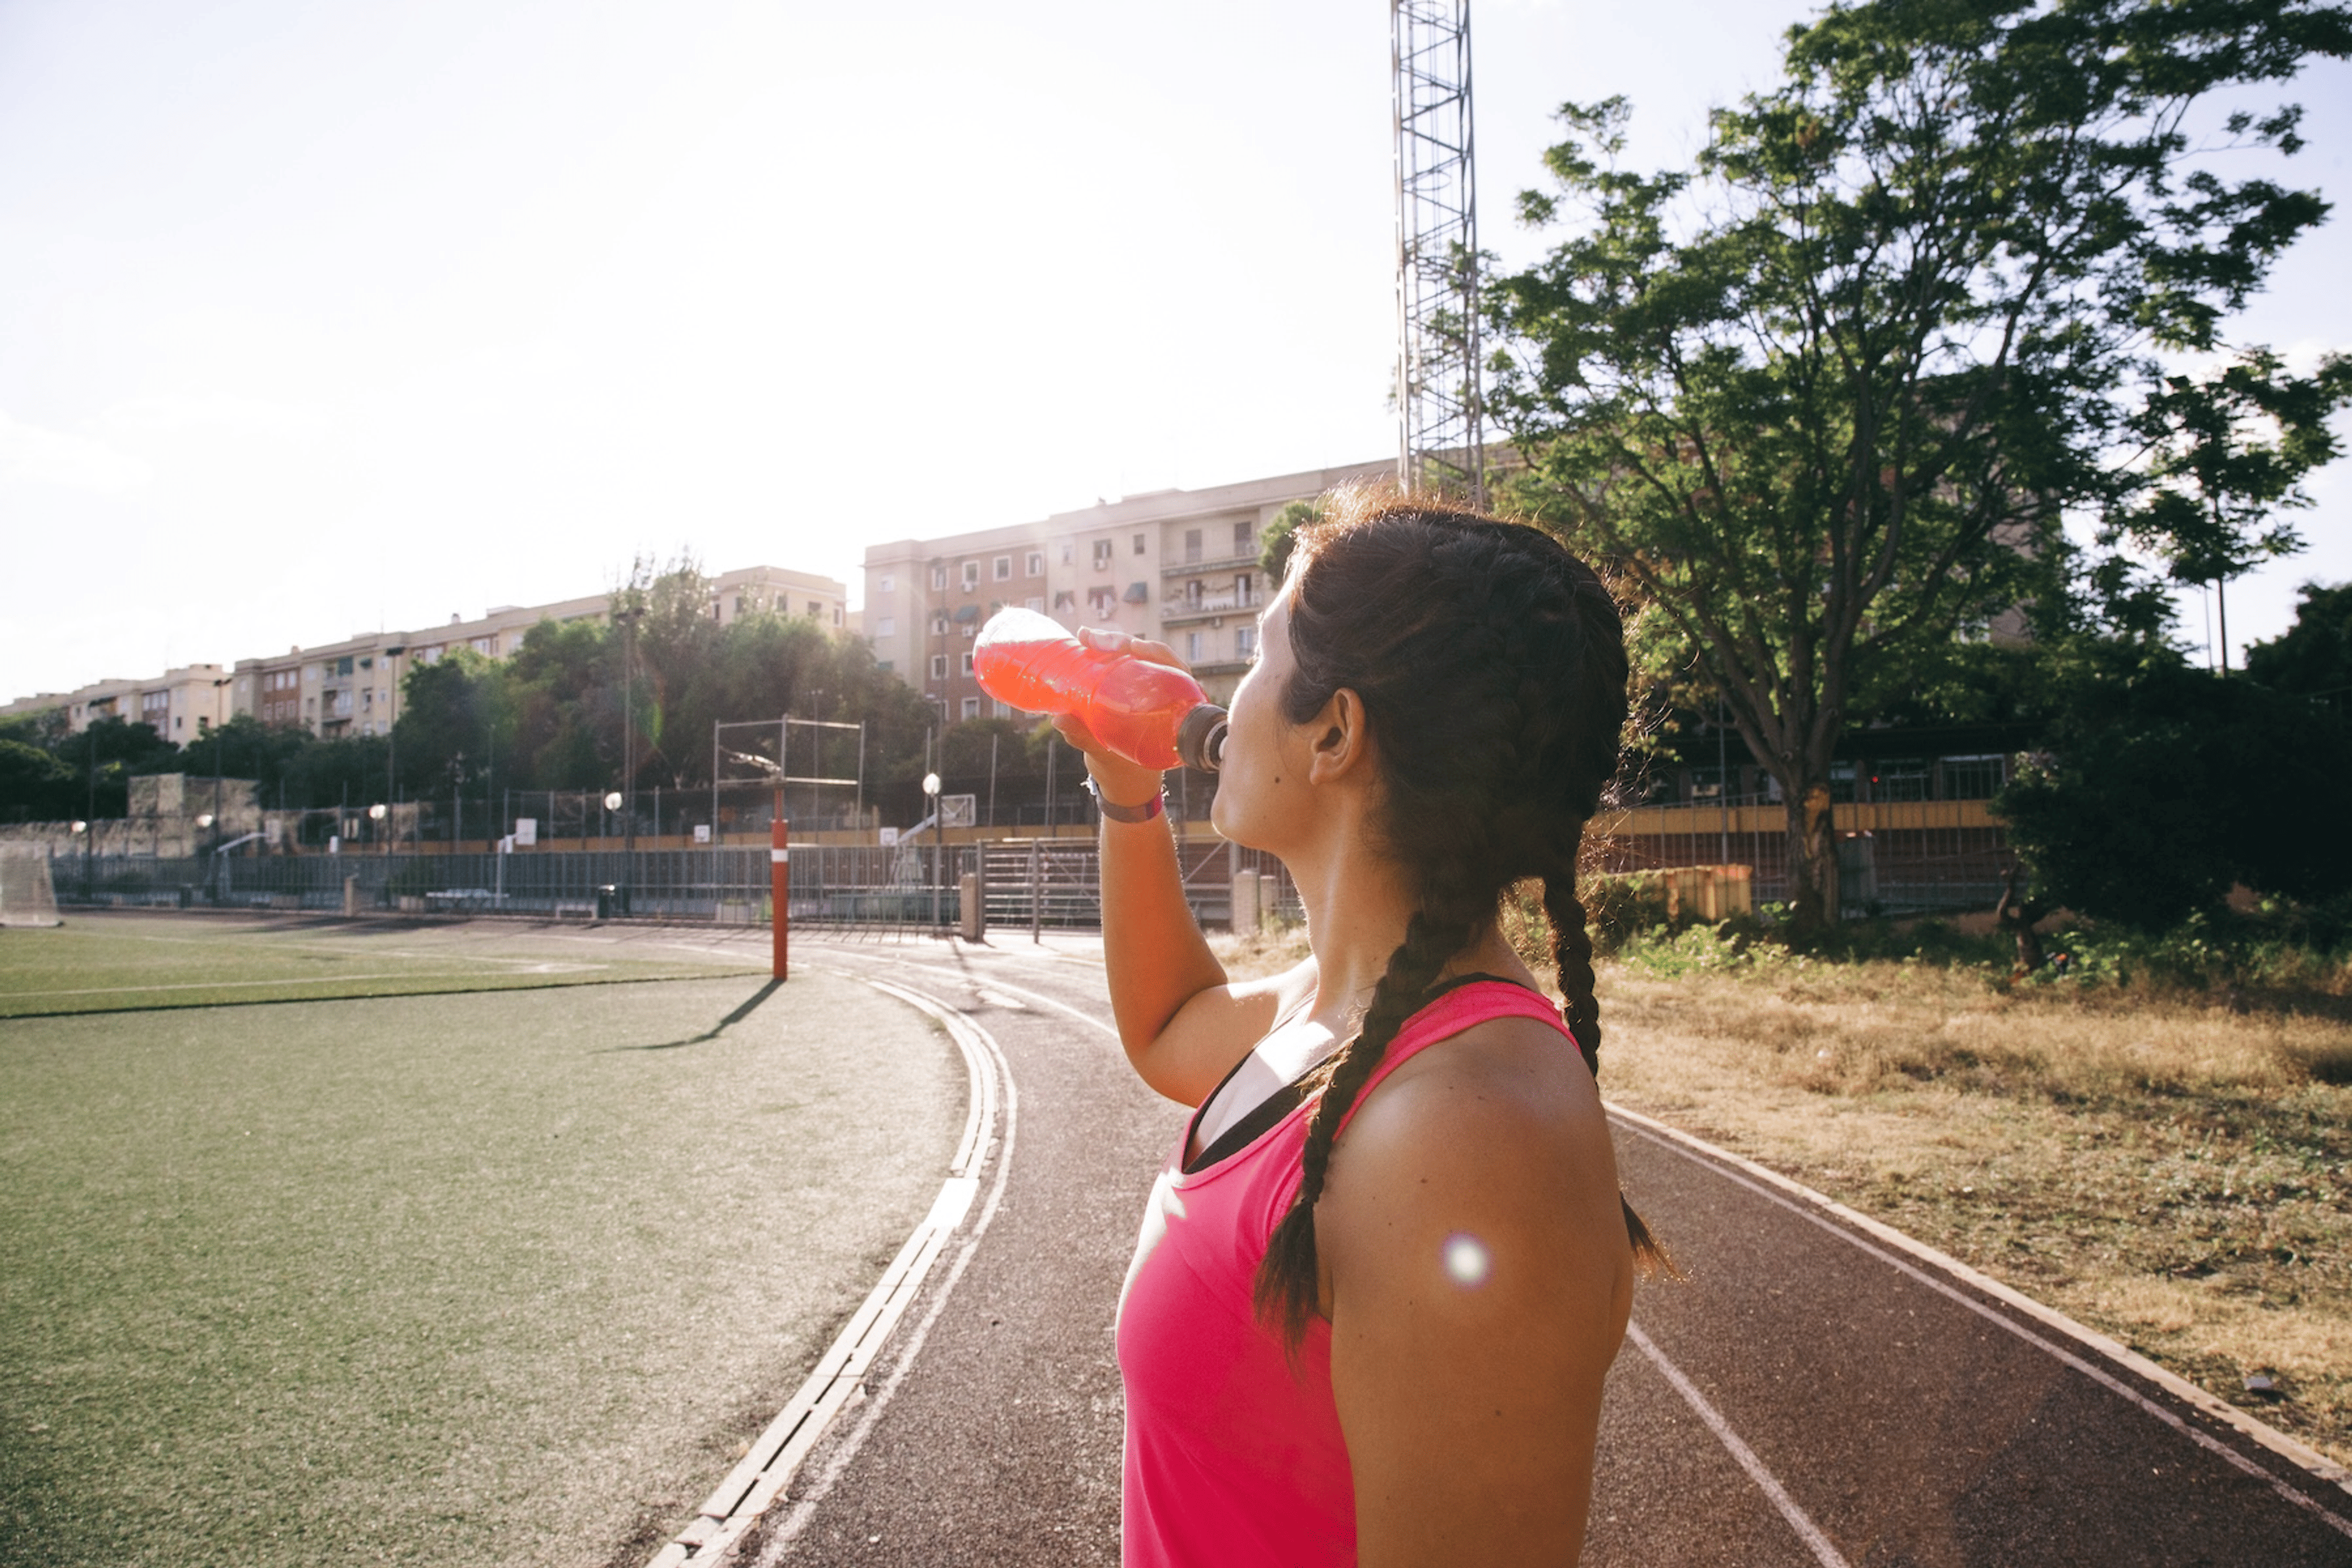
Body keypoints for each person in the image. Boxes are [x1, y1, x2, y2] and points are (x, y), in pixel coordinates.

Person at [1055, 488, 1662, 1567]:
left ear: (1334, 732)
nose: (1222, 703)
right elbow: (1168, 1029)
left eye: (1256, 656)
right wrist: (1126, 796)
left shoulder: (1467, 1137)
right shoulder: (1334, 1012)